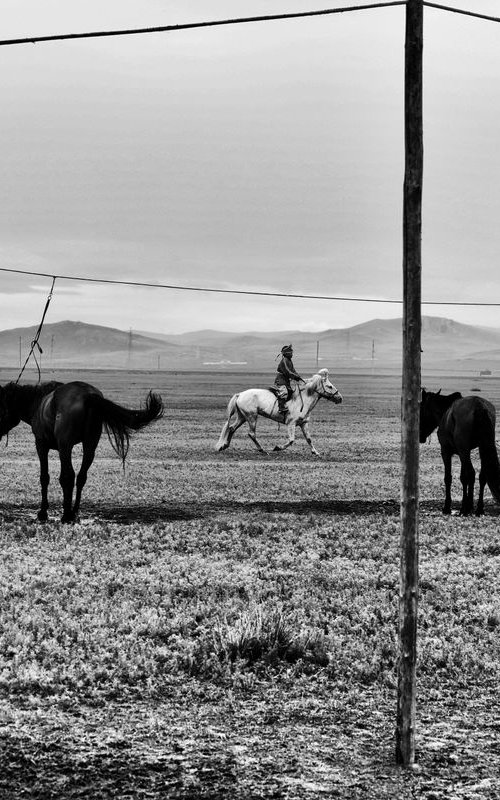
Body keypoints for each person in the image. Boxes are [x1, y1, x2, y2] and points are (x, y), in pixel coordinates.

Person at [274, 344, 303, 420]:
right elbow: (288, 371)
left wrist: (298, 376)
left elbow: (293, 370)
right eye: (291, 352)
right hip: (280, 380)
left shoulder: (289, 360)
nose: (292, 354)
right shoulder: (284, 361)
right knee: (284, 392)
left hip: (286, 381)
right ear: (287, 353)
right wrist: (295, 377)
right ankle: (281, 408)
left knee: (291, 392)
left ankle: (289, 407)